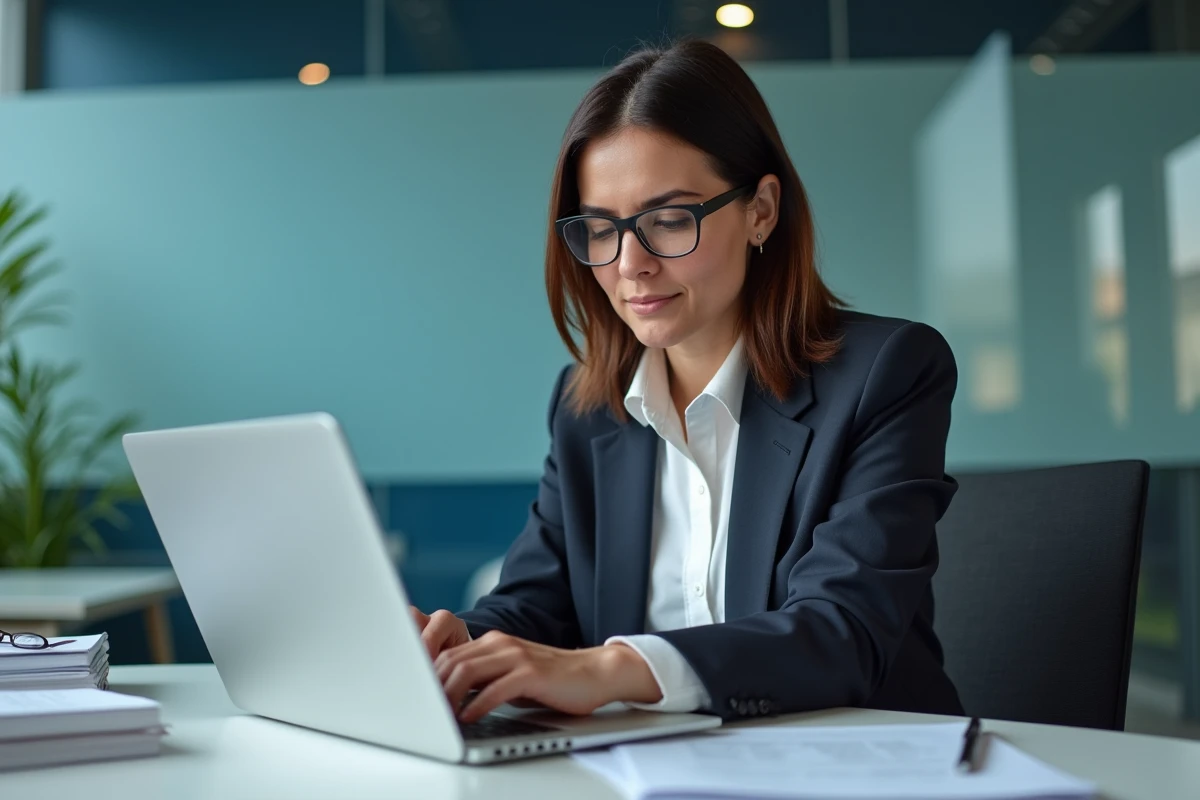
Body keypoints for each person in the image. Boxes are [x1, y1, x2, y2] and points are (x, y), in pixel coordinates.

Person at [411, 39, 964, 725]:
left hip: (857, 769)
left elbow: (840, 630)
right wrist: (453, 645)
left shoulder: (887, 372)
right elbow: (536, 605)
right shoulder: (589, 408)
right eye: (601, 229)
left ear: (761, 210)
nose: (630, 264)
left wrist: (613, 668)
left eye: (669, 220)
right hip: (648, 772)